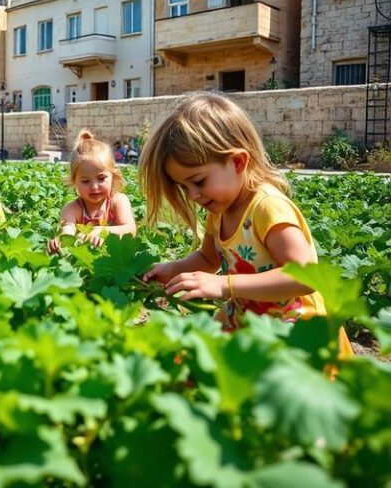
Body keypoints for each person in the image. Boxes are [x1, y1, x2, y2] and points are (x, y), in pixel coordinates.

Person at [139, 92, 352, 354]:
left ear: (238, 162)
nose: (193, 195)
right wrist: (172, 269)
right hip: (248, 318)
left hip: (295, 328)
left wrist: (224, 285)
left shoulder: (267, 207)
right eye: (184, 187)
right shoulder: (218, 210)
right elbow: (208, 259)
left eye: (199, 181)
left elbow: (306, 276)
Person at [48, 130, 137, 253]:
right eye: (85, 181)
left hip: (115, 258)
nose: (94, 187)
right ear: (75, 182)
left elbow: (130, 230)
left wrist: (100, 232)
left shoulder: (117, 201)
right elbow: (67, 231)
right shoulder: (73, 209)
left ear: (113, 176)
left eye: (101, 179)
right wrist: (60, 242)